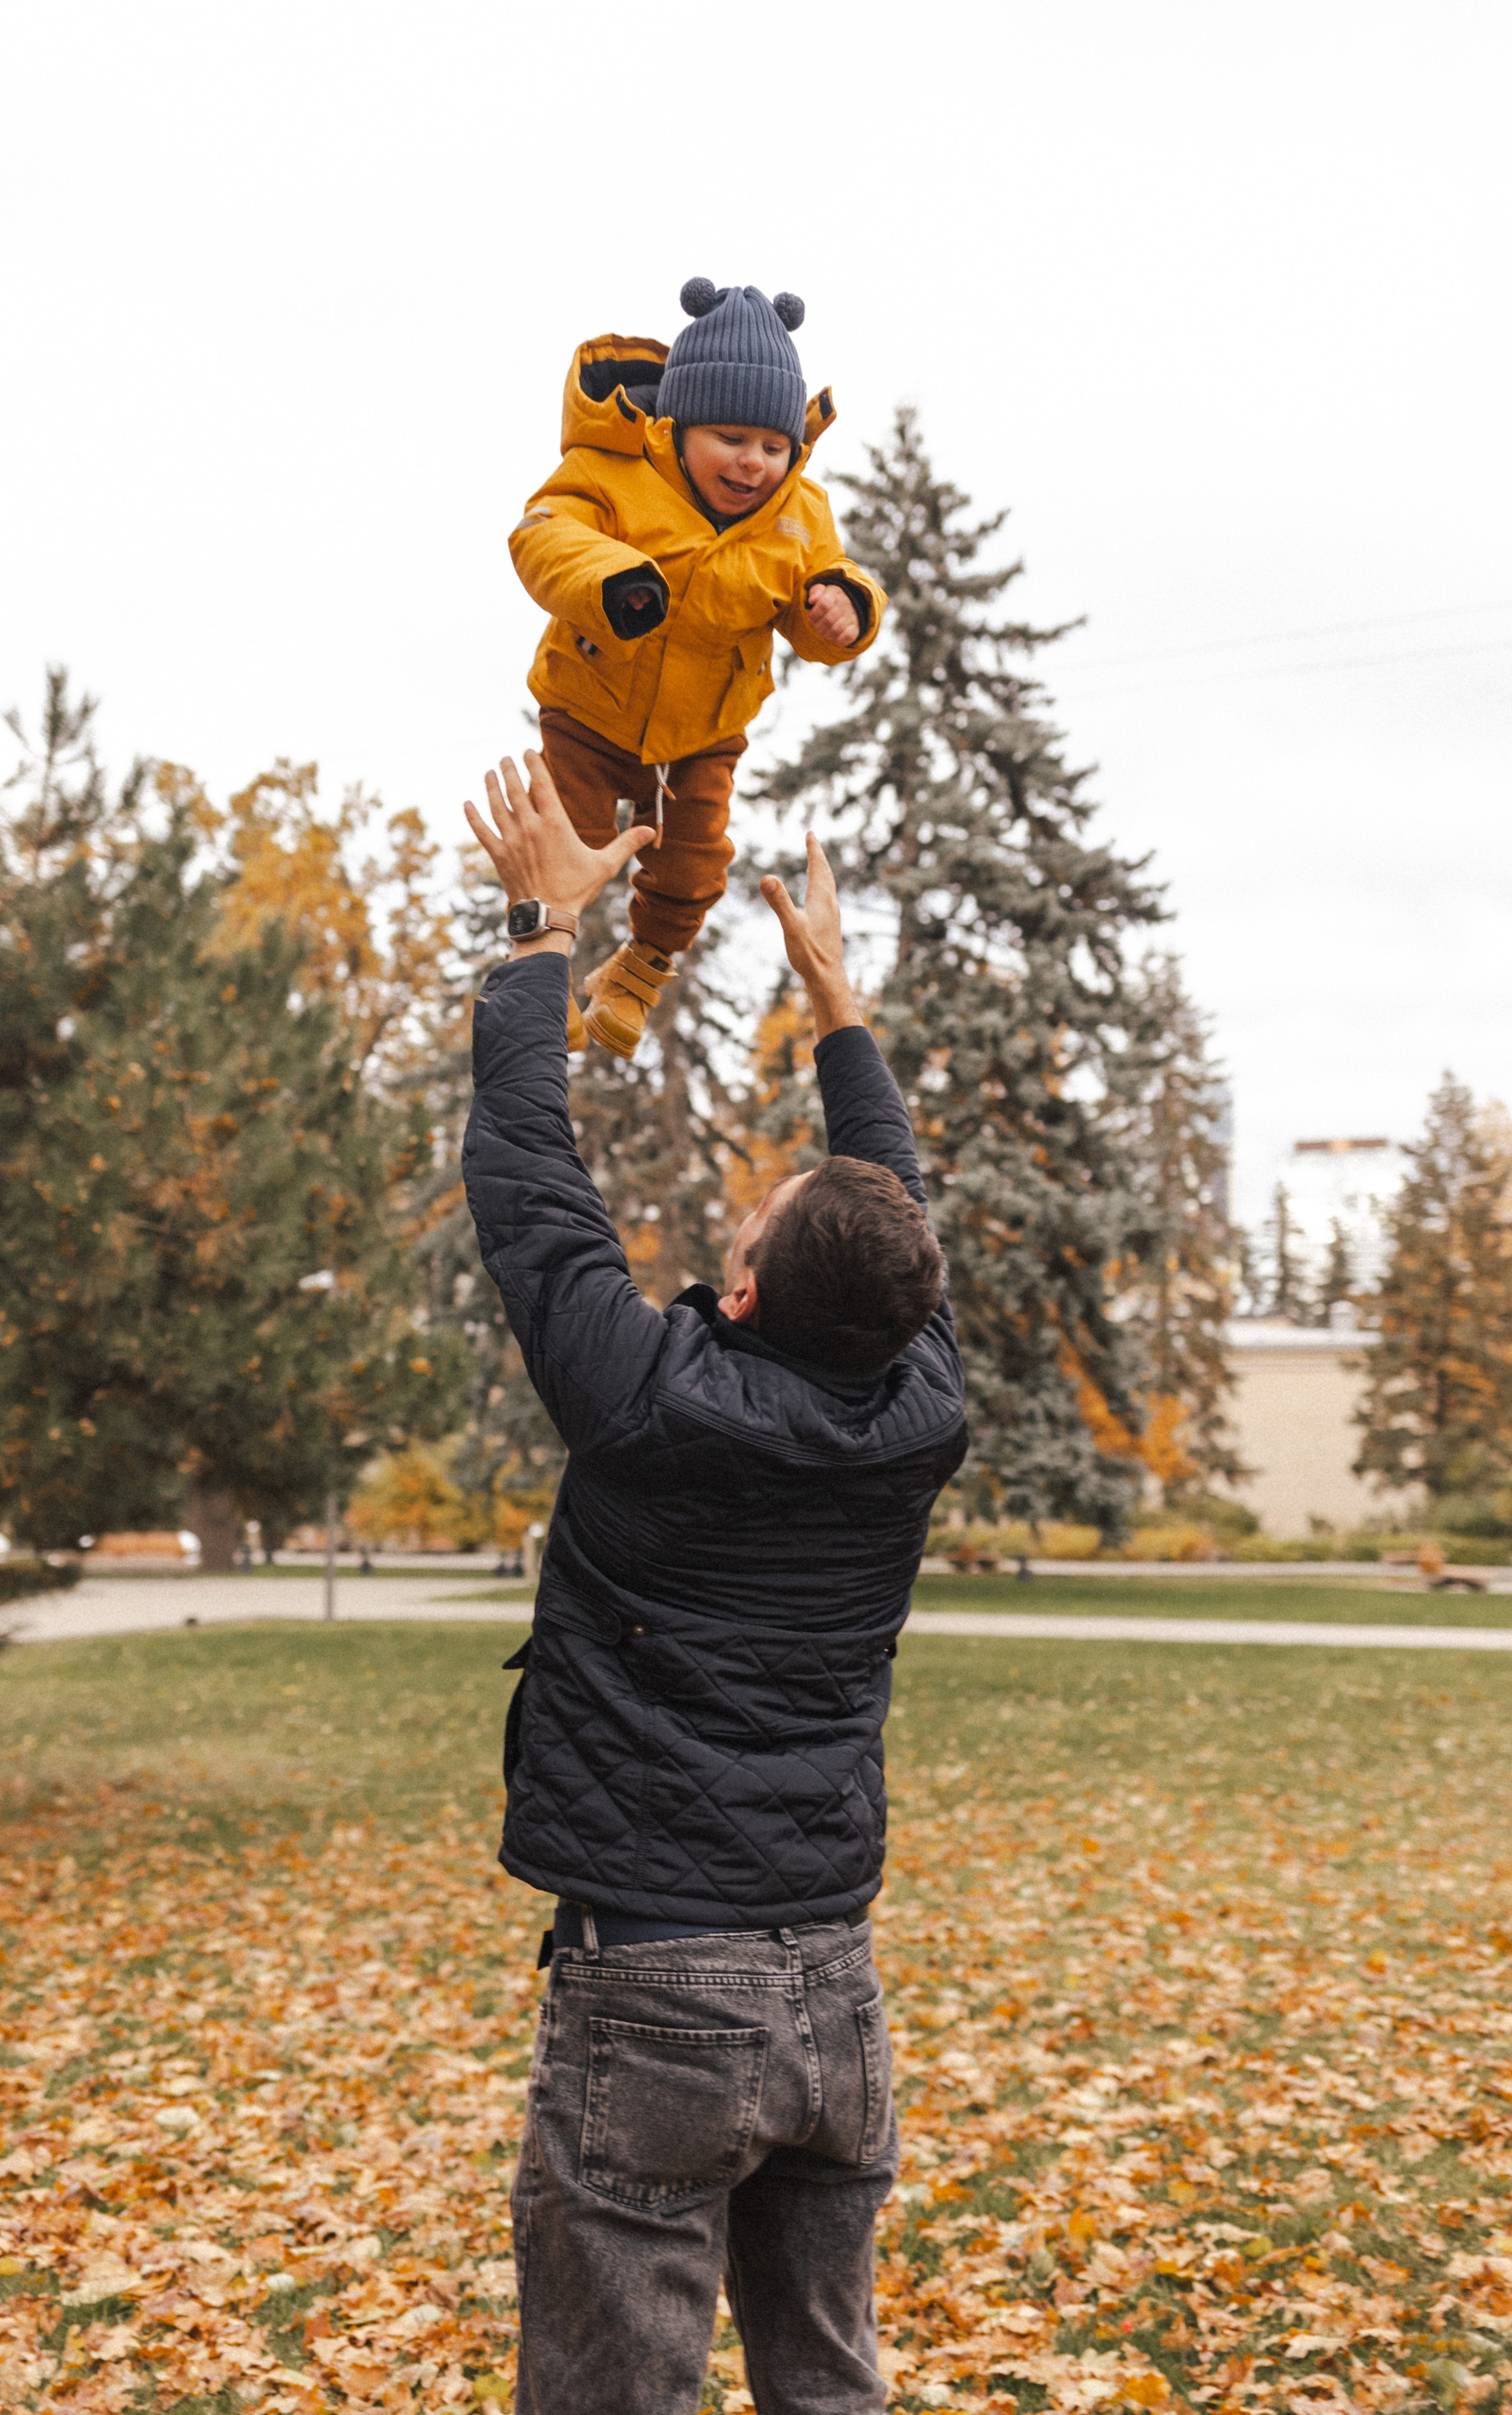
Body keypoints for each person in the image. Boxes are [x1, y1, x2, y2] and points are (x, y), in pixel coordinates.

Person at [460, 750, 968, 2415]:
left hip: (660, 1981)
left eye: (756, 1220)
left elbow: (536, 1188)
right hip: (834, 1983)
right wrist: (841, 1015)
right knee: (833, 2391)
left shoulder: (644, 1398)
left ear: (742, 1293)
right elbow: (893, 1227)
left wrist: (544, 927)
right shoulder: (919, 1412)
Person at [509, 277, 885, 1060]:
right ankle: (542, 966)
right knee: (566, 843)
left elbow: (827, 588)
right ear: (679, 426)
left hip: (705, 727)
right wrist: (611, 579)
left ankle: (639, 971)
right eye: (732, 440)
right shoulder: (610, 469)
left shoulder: (799, 515)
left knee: (695, 863)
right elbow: (543, 536)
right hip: (589, 702)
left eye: (774, 448)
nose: (753, 464)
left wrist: (844, 606)